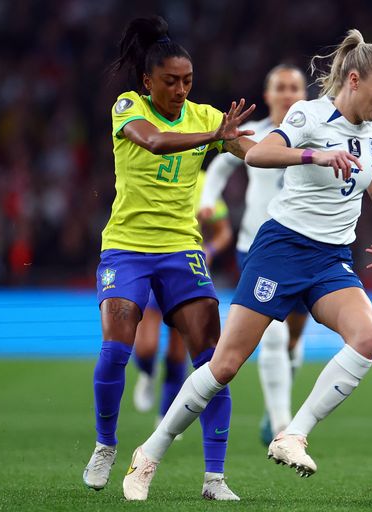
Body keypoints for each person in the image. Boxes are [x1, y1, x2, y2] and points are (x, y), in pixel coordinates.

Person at [123, 28, 372, 500]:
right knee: (226, 365)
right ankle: (150, 452)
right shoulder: (310, 114)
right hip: (281, 249)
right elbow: (261, 152)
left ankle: (293, 434)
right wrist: (315, 153)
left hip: (332, 257)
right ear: (354, 80)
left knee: (368, 337)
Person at [82, 16, 255, 501]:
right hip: (127, 248)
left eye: (188, 81)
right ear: (147, 80)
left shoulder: (205, 116)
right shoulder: (128, 106)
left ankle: (214, 479)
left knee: (215, 361)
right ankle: (105, 445)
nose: (181, 90)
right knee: (117, 349)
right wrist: (214, 137)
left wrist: (301, 154)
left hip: (182, 248)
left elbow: (248, 150)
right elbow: (154, 141)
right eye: (171, 81)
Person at [199, 64, 308, 445]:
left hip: (306, 249)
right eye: (281, 86)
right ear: (268, 94)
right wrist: (208, 201)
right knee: (274, 336)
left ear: (304, 93)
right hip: (257, 248)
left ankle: (277, 406)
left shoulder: (318, 136)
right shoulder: (258, 135)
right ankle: (281, 423)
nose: (288, 93)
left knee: (293, 338)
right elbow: (221, 163)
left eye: (294, 86)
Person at [133, 171, 233, 423]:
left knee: (177, 351)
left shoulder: (203, 182)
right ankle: (147, 371)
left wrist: (208, 249)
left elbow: (223, 231)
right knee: (146, 348)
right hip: (151, 262)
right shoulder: (150, 168)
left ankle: (164, 416)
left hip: (183, 269)